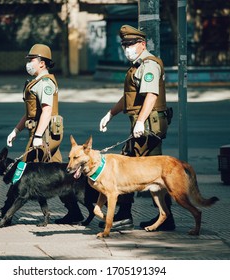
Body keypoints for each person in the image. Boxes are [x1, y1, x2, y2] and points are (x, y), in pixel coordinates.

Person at [0, 44, 84, 224]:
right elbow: (31, 113)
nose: (29, 63)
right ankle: (74, 213)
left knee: (20, 173)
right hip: (44, 135)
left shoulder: (45, 83)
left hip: (43, 136)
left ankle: (5, 212)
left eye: (32, 60)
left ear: (42, 63)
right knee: (62, 175)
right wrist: (16, 130)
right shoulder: (36, 82)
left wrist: (37, 136)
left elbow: (46, 111)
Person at [98, 25, 175, 231]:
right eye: (124, 45)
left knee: (152, 173)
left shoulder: (149, 65)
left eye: (130, 44)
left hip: (148, 127)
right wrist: (111, 113)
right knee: (131, 168)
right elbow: (129, 97)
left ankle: (162, 217)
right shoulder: (137, 66)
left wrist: (140, 121)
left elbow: (151, 95)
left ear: (142, 44)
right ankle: (127, 215)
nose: (127, 48)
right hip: (140, 126)